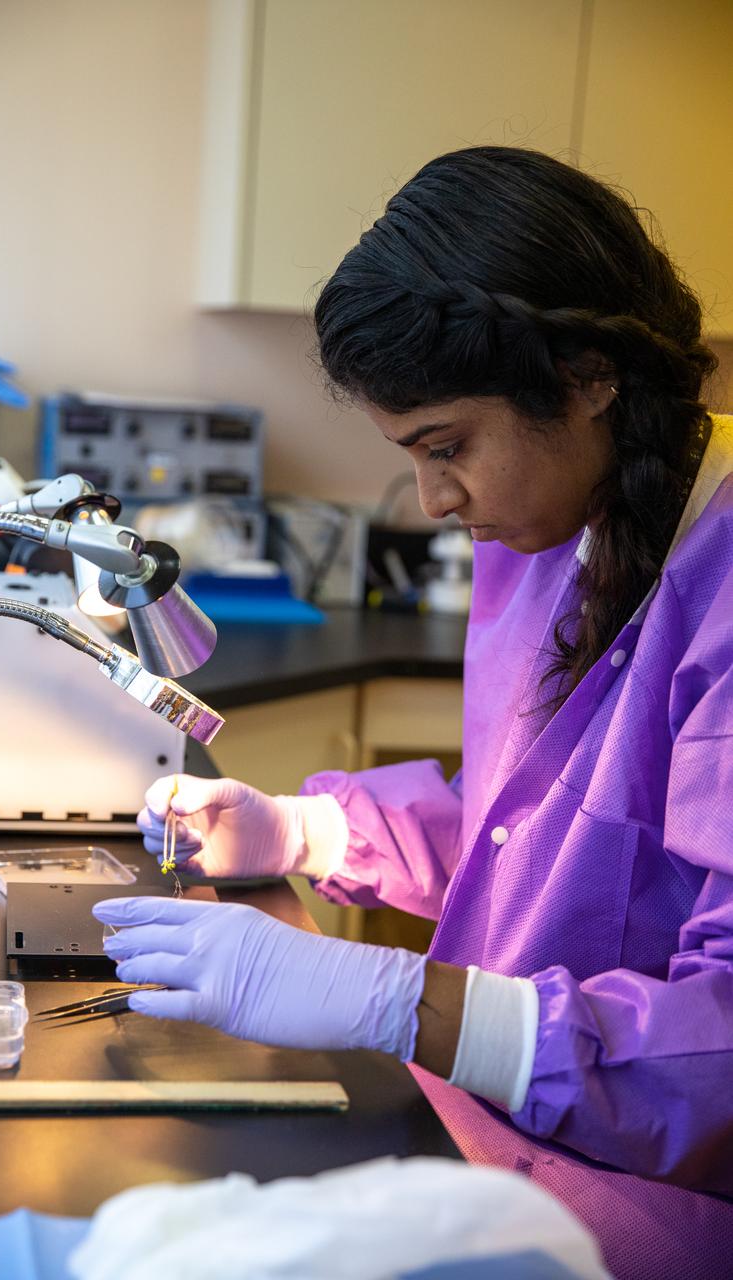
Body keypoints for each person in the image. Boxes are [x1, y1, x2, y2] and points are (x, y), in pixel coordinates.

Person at [95, 147, 733, 1195]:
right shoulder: (545, 537)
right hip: (506, 1129)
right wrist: (307, 830)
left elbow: (712, 1057)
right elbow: (543, 844)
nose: (434, 498)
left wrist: (406, 1001)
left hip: (647, 1190)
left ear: (587, 379)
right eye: (412, 455)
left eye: (447, 446)